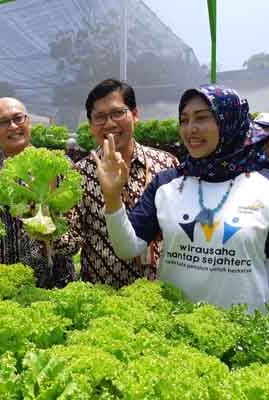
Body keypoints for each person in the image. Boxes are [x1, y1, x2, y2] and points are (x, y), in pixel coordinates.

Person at [96, 84, 269, 312]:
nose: (190, 129)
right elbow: (128, 248)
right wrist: (113, 196)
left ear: (229, 121)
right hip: (174, 331)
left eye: (202, 118)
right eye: (184, 120)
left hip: (245, 334)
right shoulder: (167, 183)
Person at [56, 79, 178, 288]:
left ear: (135, 114)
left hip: (158, 293)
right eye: (100, 117)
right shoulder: (79, 174)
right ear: (91, 124)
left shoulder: (166, 165)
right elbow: (71, 242)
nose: (110, 123)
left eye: (118, 113)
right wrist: (47, 225)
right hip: (102, 297)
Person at [0, 97, 75, 288]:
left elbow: (76, 239)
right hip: (4, 287)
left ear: (28, 122)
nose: (13, 126)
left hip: (58, 286)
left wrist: (49, 225)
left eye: (18, 118)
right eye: (3, 122)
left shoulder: (60, 167)